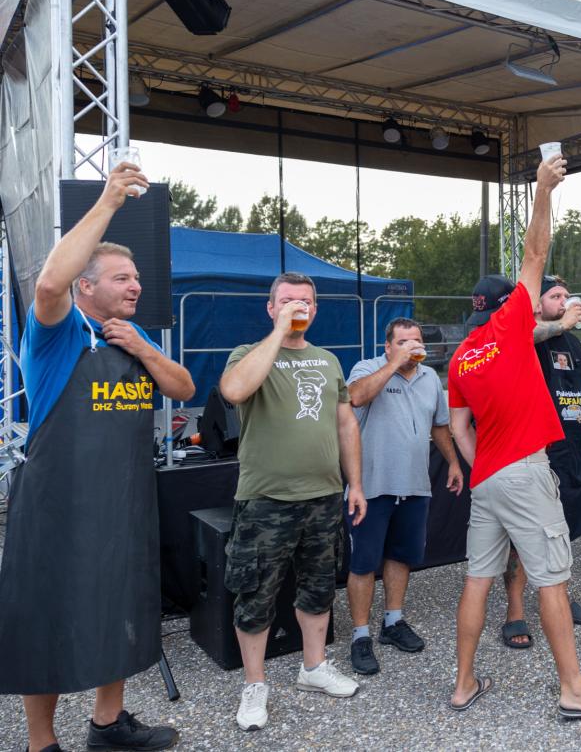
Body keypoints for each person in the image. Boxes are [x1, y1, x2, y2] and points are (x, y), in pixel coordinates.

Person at [0, 162, 194, 752]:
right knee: (47, 620)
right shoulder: (57, 332)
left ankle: (107, 726)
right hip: (57, 510)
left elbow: (183, 386)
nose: (136, 287)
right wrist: (109, 200)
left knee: (119, 608)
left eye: (137, 278)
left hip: (124, 505)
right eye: (121, 278)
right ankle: (41, 743)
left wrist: (143, 349)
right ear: (86, 286)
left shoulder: (131, 336)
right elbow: (47, 286)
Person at [446, 150, 581, 720]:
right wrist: (543, 189)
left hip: (488, 477)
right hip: (524, 469)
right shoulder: (511, 324)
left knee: (477, 580)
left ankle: (464, 684)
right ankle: (574, 691)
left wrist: (481, 466)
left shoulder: (461, 356)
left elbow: (458, 426)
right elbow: (536, 253)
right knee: (552, 581)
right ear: (506, 305)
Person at [219, 272, 368, 731]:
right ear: (270, 308)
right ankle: (254, 684)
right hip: (266, 499)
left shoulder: (328, 360)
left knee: (319, 588)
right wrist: (280, 332)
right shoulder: (248, 354)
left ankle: (314, 666)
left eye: (305, 301)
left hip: (323, 497)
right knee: (256, 595)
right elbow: (234, 390)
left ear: (316, 309)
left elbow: (346, 424)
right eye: (286, 300)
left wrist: (355, 483)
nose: (297, 306)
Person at [344, 317, 463, 676]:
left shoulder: (429, 378)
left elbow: (438, 425)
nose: (412, 347)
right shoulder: (367, 368)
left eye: (417, 341)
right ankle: (360, 635)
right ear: (387, 346)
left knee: (401, 556)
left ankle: (393, 621)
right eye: (403, 341)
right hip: (372, 487)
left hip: (413, 484)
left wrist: (453, 462)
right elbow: (355, 396)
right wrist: (394, 364)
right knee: (364, 563)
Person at [500, 277, 581, 647]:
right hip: (536, 453)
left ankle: (561, 596)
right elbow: (519, 339)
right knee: (522, 536)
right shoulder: (527, 337)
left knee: (563, 532)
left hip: (572, 450)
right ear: (537, 304)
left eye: (566, 296)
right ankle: (515, 612)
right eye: (555, 296)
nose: (565, 300)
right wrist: (561, 323)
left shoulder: (573, 343)